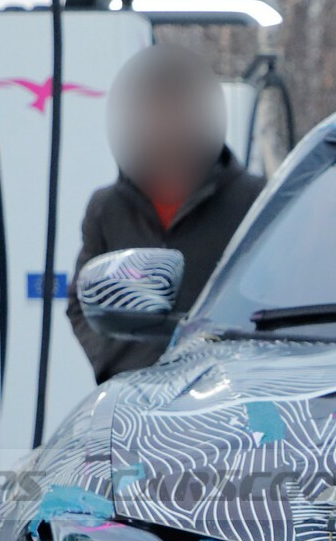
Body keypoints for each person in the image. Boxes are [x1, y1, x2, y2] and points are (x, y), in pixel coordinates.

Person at [65, 43, 265, 381]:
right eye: (155, 111)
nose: (167, 125)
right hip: (134, 398)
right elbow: (82, 303)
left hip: (225, 395)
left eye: (177, 110)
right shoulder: (107, 208)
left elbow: (272, 300)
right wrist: (115, 361)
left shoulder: (253, 199)